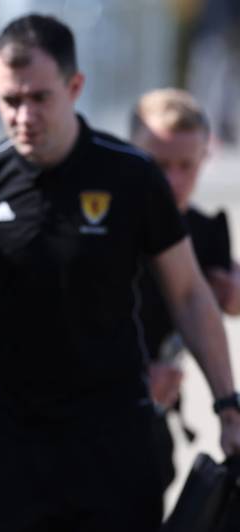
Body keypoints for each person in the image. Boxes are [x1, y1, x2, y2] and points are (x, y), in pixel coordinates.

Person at [0, 14, 240, 532]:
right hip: (11, 438)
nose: (24, 115)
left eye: (39, 97)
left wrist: (228, 405)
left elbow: (189, 294)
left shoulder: (131, 175)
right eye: (10, 100)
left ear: (74, 87)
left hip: (114, 438)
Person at [130, 87, 240, 491]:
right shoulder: (103, 226)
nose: (172, 180)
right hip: (91, 413)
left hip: (157, 421)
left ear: (205, 158)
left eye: (185, 165)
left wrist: (231, 294)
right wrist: (133, 376)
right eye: (159, 165)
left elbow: (221, 300)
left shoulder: (205, 231)